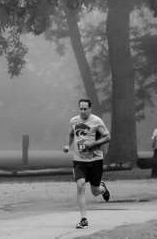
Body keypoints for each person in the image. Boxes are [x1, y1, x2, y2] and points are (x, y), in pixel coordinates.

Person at [63, 98, 111, 229]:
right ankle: (83, 219)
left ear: (90, 109)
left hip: (95, 160)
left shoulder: (97, 121)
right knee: (80, 185)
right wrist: (68, 145)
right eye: (81, 108)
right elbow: (71, 134)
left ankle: (103, 188)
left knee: (95, 191)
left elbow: (108, 137)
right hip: (79, 160)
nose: (83, 111)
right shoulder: (74, 121)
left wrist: (94, 144)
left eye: (85, 109)